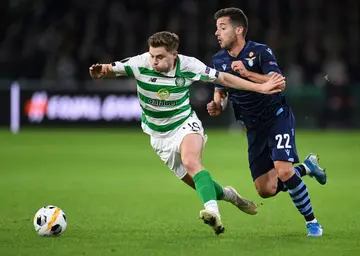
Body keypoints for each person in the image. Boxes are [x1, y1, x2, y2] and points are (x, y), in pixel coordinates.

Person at [89, 31, 285, 235]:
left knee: (191, 162)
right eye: (152, 56)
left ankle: (213, 213)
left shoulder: (188, 65)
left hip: (184, 123)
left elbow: (225, 78)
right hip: (158, 137)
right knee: (200, 183)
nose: (154, 61)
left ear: (174, 55)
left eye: (160, 57)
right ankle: (230, 196)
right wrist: (101, 71)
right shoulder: (140, 63)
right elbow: (111, 68)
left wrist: (261, 87)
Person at [207, 8, 326, 237]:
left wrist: (248, 74)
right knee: (265, 190)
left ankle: (312, 223)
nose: (216, 33)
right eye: (216, 28)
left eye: (222, 28)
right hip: (253, 127)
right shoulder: (218, 60)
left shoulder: (260, 52)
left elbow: (279, 83)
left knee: (283, 170)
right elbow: (220, 91)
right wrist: (217, 106)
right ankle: (306, 168)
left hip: (276, 117)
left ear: (239, 30)